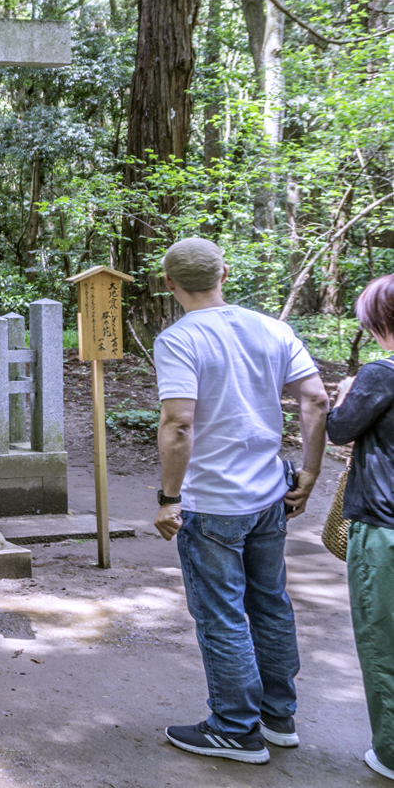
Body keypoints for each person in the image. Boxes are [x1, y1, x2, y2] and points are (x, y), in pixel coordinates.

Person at [151, 238, 327, 765]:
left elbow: (179, 422)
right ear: (225, 272)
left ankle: (234, 726)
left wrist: (168, 498)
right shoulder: (272, 329)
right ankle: (278, 717)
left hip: (212, 501)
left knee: (222, 613)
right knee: (270, 603)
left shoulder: (179, 339)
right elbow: (316, 398)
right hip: (270, 493)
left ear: (169, 284)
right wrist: (311, 472)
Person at [327, 274, 394, 782]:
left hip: (383, 527)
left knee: (383, 641)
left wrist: (346, 394)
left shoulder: (382, 372)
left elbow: (340, 428)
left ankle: (390, 752)